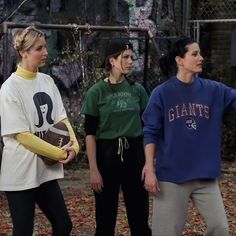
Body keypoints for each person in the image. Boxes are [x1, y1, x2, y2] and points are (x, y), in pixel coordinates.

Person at [142, 36, 232, 236]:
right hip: (172, 177)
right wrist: (149, 168)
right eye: (194, 54)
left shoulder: (214, 90)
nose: (201, 57)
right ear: (179, 60)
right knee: (165, 233)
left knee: (220, 229)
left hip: (205, 175)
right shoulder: (162, 93)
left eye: (200, 53)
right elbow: (150, 132)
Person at [0, 26, 80, 236]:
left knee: (64, 225)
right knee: (23, 231)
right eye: (39, 48)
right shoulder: (9, 88)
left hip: (44, 171)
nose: (45, 52)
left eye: (45, 47)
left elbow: (62, 118)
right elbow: (23, 136)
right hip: (20, 172)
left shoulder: (47, 81)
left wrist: (75, 146)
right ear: (23, 52)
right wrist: (59, 153)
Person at [81, 38, 151, 236]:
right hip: (107, 155)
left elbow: (149, 128)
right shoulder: (96, 92)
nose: (130, 61)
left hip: (135, 154)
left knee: (139, 218)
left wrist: (149, 163)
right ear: (112, 60)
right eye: (125, 57)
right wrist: (93, 169)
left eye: (131, 57)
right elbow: (90, 134)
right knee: (105, 219)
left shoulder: (137, 90)